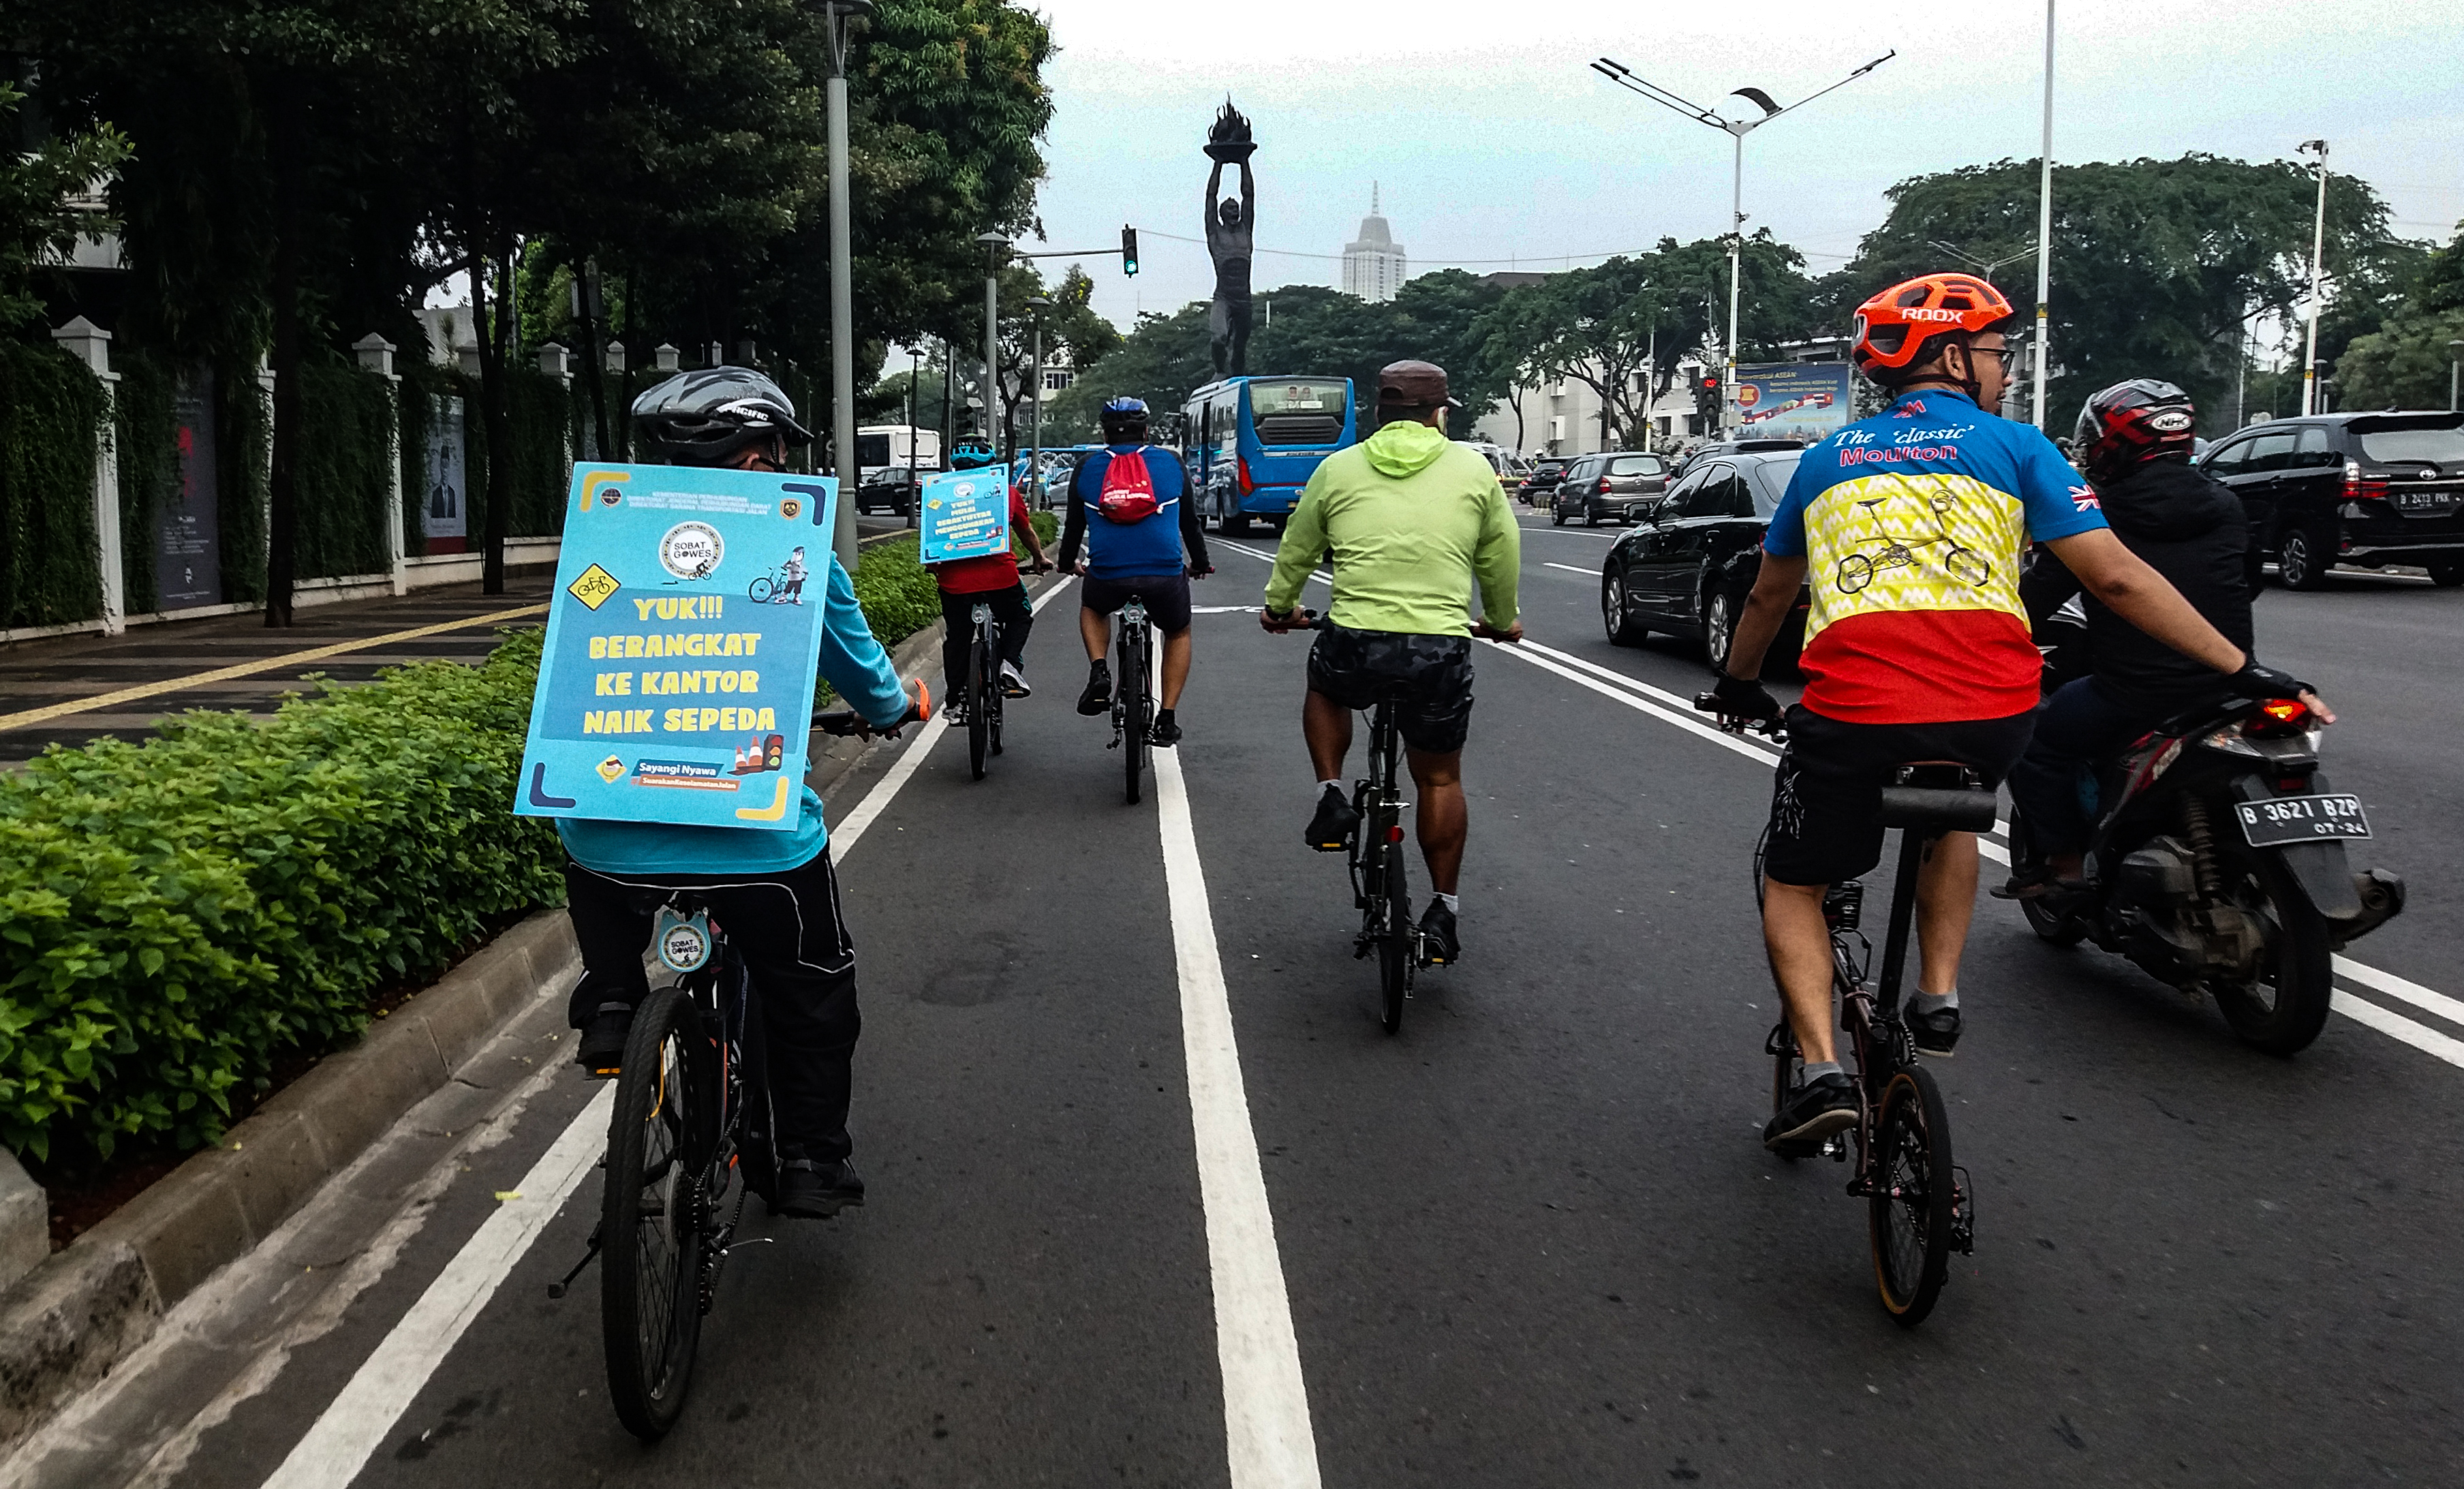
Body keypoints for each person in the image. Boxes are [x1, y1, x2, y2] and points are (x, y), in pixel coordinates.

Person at [1707, 273, 2317, 1152]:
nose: (2003, 370)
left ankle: (1821, 1069)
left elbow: (1769, 596)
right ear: (1952, 356)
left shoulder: (1821, 460)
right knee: (1953, 804)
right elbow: (2114, 576)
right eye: (1996, 353)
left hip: (1857, 713)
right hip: (1991, 713)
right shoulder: (2023, 448)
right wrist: (2241, 665)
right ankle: (1939, 993)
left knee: (1793, 880)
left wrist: (1737, 681)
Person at [561, 367, 925, 1218]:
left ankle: (614, 996)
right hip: (756, 842)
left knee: (587, 845)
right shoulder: (790, 538)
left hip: (611, 842)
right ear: (760, 457)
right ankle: (808, 1157)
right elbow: (868, 682)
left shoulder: (600, 536)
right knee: (813, 985)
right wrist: (893, 705)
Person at [2002, 379, 2330, 895]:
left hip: (2131, 693)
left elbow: (2034, 603)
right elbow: (2247, 585)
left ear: (2113, 444)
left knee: (2036, 743)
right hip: (2227, 687)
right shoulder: (2225, 503)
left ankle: (2061, 866)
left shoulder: (2093, 515)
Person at [1261, 360, 1522, 964]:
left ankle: (1331, 793)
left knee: (1325, 685)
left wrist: (1280, 607)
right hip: (1439, 647)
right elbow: (1501, 550)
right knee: (1439, 777)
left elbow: (1298, 546)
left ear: (1378, 415)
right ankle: (1443, 911)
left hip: (1357, 639)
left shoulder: (1338, 468)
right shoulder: (1473, 469)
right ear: (1440, 414)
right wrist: (1503, 618)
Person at [1060, 397, 1212, 746]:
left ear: (1105, 434)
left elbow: (1072, 528)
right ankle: (1168, 717)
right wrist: (1200, 564)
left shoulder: (1086, 468)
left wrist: (1068, 564)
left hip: (1108, 574)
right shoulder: (1171, 463)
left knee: (1093, 608)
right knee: (1178, 632)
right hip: (1164, 575)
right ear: (1146, 430)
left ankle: (1099, 669)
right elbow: (1190, 524)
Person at [927, 470, 1052, 711]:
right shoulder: (1006, 492)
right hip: (1001, 580)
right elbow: (1025, 531)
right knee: (1019, 617)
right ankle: (1010, 664)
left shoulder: (938, 494)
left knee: (957, 637)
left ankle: (954, 699)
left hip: (955, 584)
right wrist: (1039, 558)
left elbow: (932, 537)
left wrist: (933, 565)